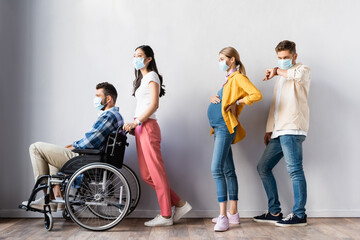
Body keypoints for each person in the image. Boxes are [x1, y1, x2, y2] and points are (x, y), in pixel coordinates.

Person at [22, 82, 123, 212]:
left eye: (98, 95)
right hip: (93, 156)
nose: (95, 99)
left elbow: (90, 141)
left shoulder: (109, 116)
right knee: (53, 155)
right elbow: (92, 138)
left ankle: (47, 200)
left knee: (35, 148)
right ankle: (57, 198)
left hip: (87, 157)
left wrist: (73, 146)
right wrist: (71, 146)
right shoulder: (115, 116)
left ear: (108, 99)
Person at [123, 45, 192, 227]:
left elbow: (154, 105)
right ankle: (180, 204)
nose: (136, 58)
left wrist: (137, 122)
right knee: (147, 175)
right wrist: (134, 125)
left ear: (149, 59)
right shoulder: (142, 79)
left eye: (140, 55)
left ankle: (166, 215)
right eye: (134, 55)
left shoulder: (152, 76)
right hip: (139, 127)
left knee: (156, 172)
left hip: (147, 127)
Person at [254, 40, 311, 227]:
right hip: (279, 131)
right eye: (279, 58)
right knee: (263, 167)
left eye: (286, 57)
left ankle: (299, 214)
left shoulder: (303, 70)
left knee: (294, 170)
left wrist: (277, 70)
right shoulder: (280, 78)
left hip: (293, 129)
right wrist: (269, 129)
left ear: (295, 56)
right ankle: (274, 211)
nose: (282, 61)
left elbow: (295, 75)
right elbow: (276, 106)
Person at [208, 47, 262, 232]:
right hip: (218, 128)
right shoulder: (228, 80)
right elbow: (224, 101)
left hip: (225, 128)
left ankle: (223, 216)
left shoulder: (238, 78)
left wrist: (237, 103)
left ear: (232, 60)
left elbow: (256, 94)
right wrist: (215, 98)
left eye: (222, 58)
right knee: (228, 170)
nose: (220, 62)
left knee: (216, 169)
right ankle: (233, 213)